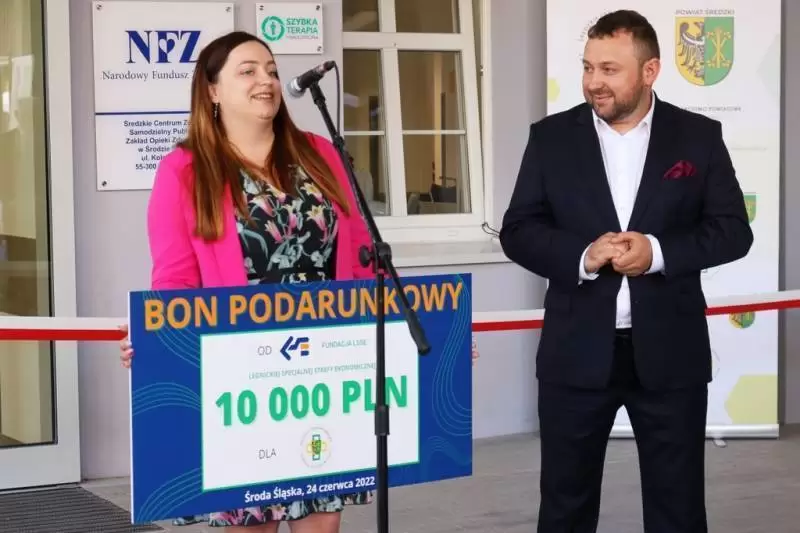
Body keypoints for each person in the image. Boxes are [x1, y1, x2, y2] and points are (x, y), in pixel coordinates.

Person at [118, 30, 479, 532]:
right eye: (247, 71)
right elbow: (175, 279)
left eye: (270, 69)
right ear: (212, 90)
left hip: (324, 369)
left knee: (323, 523)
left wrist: (431, 333)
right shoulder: (184, 170)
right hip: (243, 376)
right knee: (253, 523)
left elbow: (363, 261)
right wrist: (159, 341)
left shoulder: (319, 153)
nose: (265, 80)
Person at [499, 10, 752, 533]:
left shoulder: (698, 137)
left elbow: (733, 231)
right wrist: (584, 255)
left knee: (678, 512)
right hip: (575, 356)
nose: (594, 81)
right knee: (564, 511)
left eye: (609, 69)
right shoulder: (550, 138)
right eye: (587, 67)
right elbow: (518, 230)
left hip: (671, 356)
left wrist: (657, 252)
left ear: (650, 71)